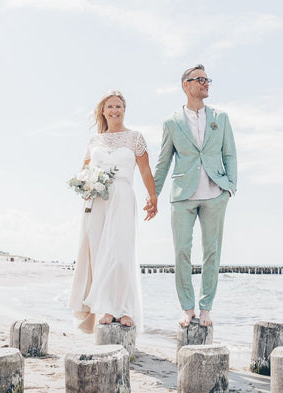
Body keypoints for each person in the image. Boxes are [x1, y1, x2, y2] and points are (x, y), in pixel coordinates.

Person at [152, 64, 237, 328]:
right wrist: (153, 194)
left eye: (207, 79)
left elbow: (229, 153)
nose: (206, 83)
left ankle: (206, 308)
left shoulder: (220, 118)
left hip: (215, 193)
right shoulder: (172, 122)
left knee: (212, 252)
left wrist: (230, 186)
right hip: (183, 196)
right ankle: (187, 308)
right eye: (200, 79)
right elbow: (163, 161)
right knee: (181, 252)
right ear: (186, 85)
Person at [69, 90, 157, 333]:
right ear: (103, 111)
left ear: (124, 110)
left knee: (120, 252)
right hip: (97, 200)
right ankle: (107, 308)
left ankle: (126, 309)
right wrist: (86, 186)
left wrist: (153, 196)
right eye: (110, 106)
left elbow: (146, 170)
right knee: (99, 253)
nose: (114, 110)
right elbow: (84, 170)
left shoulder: (135, 138)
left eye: (119, 106)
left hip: (122, 196)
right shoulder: (94, 141)